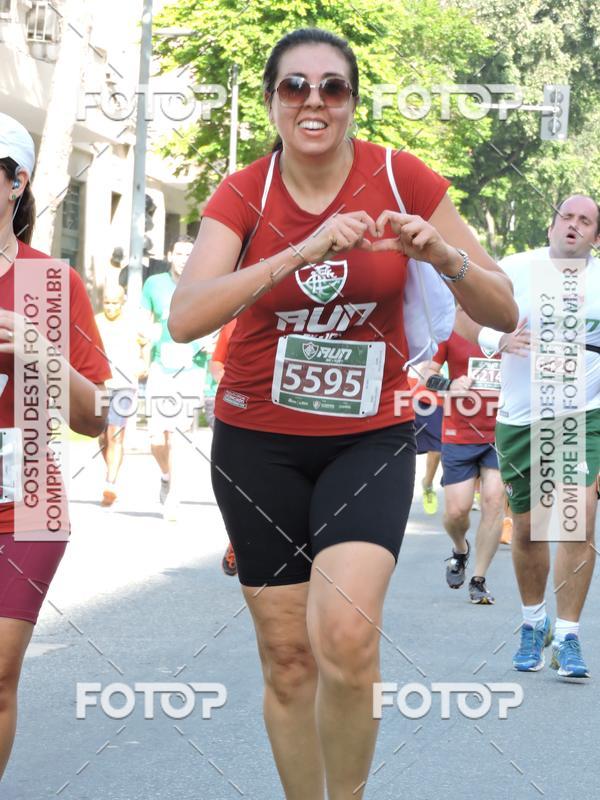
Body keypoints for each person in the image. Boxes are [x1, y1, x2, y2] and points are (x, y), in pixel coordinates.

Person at [168, 28, 517, 799]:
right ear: (271, 102)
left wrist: (443, 256)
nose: (314, 101)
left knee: (347, 637)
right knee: (289, 659)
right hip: (257, 443)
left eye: (333, 87)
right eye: (295, 86)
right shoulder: (246, 192)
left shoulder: (401, 177)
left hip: (370, 437)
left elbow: (500, 304)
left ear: (354, 103)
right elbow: (186, 317)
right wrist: (301, 251)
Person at [0, 113, 110, 780]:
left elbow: (98, 415)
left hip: (29, 500)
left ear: (17, 183)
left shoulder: (50, 285)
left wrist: (41, 351)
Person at [459, 193, 600, 679]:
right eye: (567, 216)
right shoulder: (515, 269)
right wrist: (496, 340)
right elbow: (461, 312)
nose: (574, 226)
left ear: (596, 236)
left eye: (586, 221)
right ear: (551, 225)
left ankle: (568, 635)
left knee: (576, 521)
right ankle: (532, 622)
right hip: (521, 418)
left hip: (582, 417)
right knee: (527, 528)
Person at [421, 330, 505, 604]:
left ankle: (478, 580)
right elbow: (426, 375)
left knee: (493, 501)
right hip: (459, 434)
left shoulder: (512, 329)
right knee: (457, 511)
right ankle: (460, 549)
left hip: (501, 433)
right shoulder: (451, 331)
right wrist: (448, 384)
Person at [141, 235, 208, 521]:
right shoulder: (153, 284)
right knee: (156, 437)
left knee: (178, 435)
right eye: (179, 253)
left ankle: (174, 497)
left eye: (188, 254)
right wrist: (145, 338)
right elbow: (145, 322)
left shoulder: (205, 283)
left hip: (192, 367)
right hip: (161, 365)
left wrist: (211, 340)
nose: (183, 258)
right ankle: (166, 476)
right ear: (170, 255)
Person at [95, 285, 145, 506]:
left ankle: (110, 483)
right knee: (102, 436)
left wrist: (144, 364)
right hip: (100, 385)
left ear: (123, 302)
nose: (111, 307)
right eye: (107, 302)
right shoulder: (95, 321)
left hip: (125, 385)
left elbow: (146, 344)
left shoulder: (133, 322)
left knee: (116, 434)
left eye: (115, 302)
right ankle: (111, 473)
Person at [207, 319, 238, 576]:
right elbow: (216, 363)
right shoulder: (234, 322)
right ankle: (237, 539)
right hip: (238, 412)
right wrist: (228, 381)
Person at [407, 367, 443, 514]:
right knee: (404, 446)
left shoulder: (444, 344)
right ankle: (402, 491)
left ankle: (427, 484)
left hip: (437, 399)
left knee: (437, 448)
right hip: (409, 391)